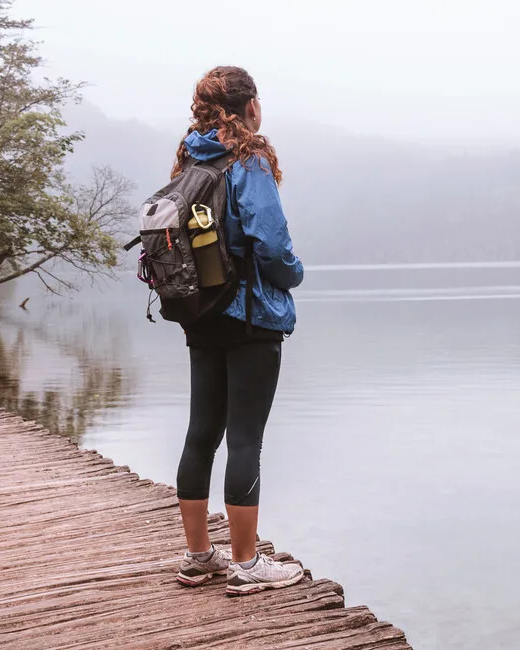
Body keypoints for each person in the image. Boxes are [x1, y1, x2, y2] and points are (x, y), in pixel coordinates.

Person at [170, 66, 305, 596]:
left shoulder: (188, 159)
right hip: (250, 316)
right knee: (246, 436)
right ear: (249, 105)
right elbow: (270, 241)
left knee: (201, 432)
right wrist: (294, 274)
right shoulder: (249, 160)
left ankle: (199, 556)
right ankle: (248, 564)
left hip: (200, 312)